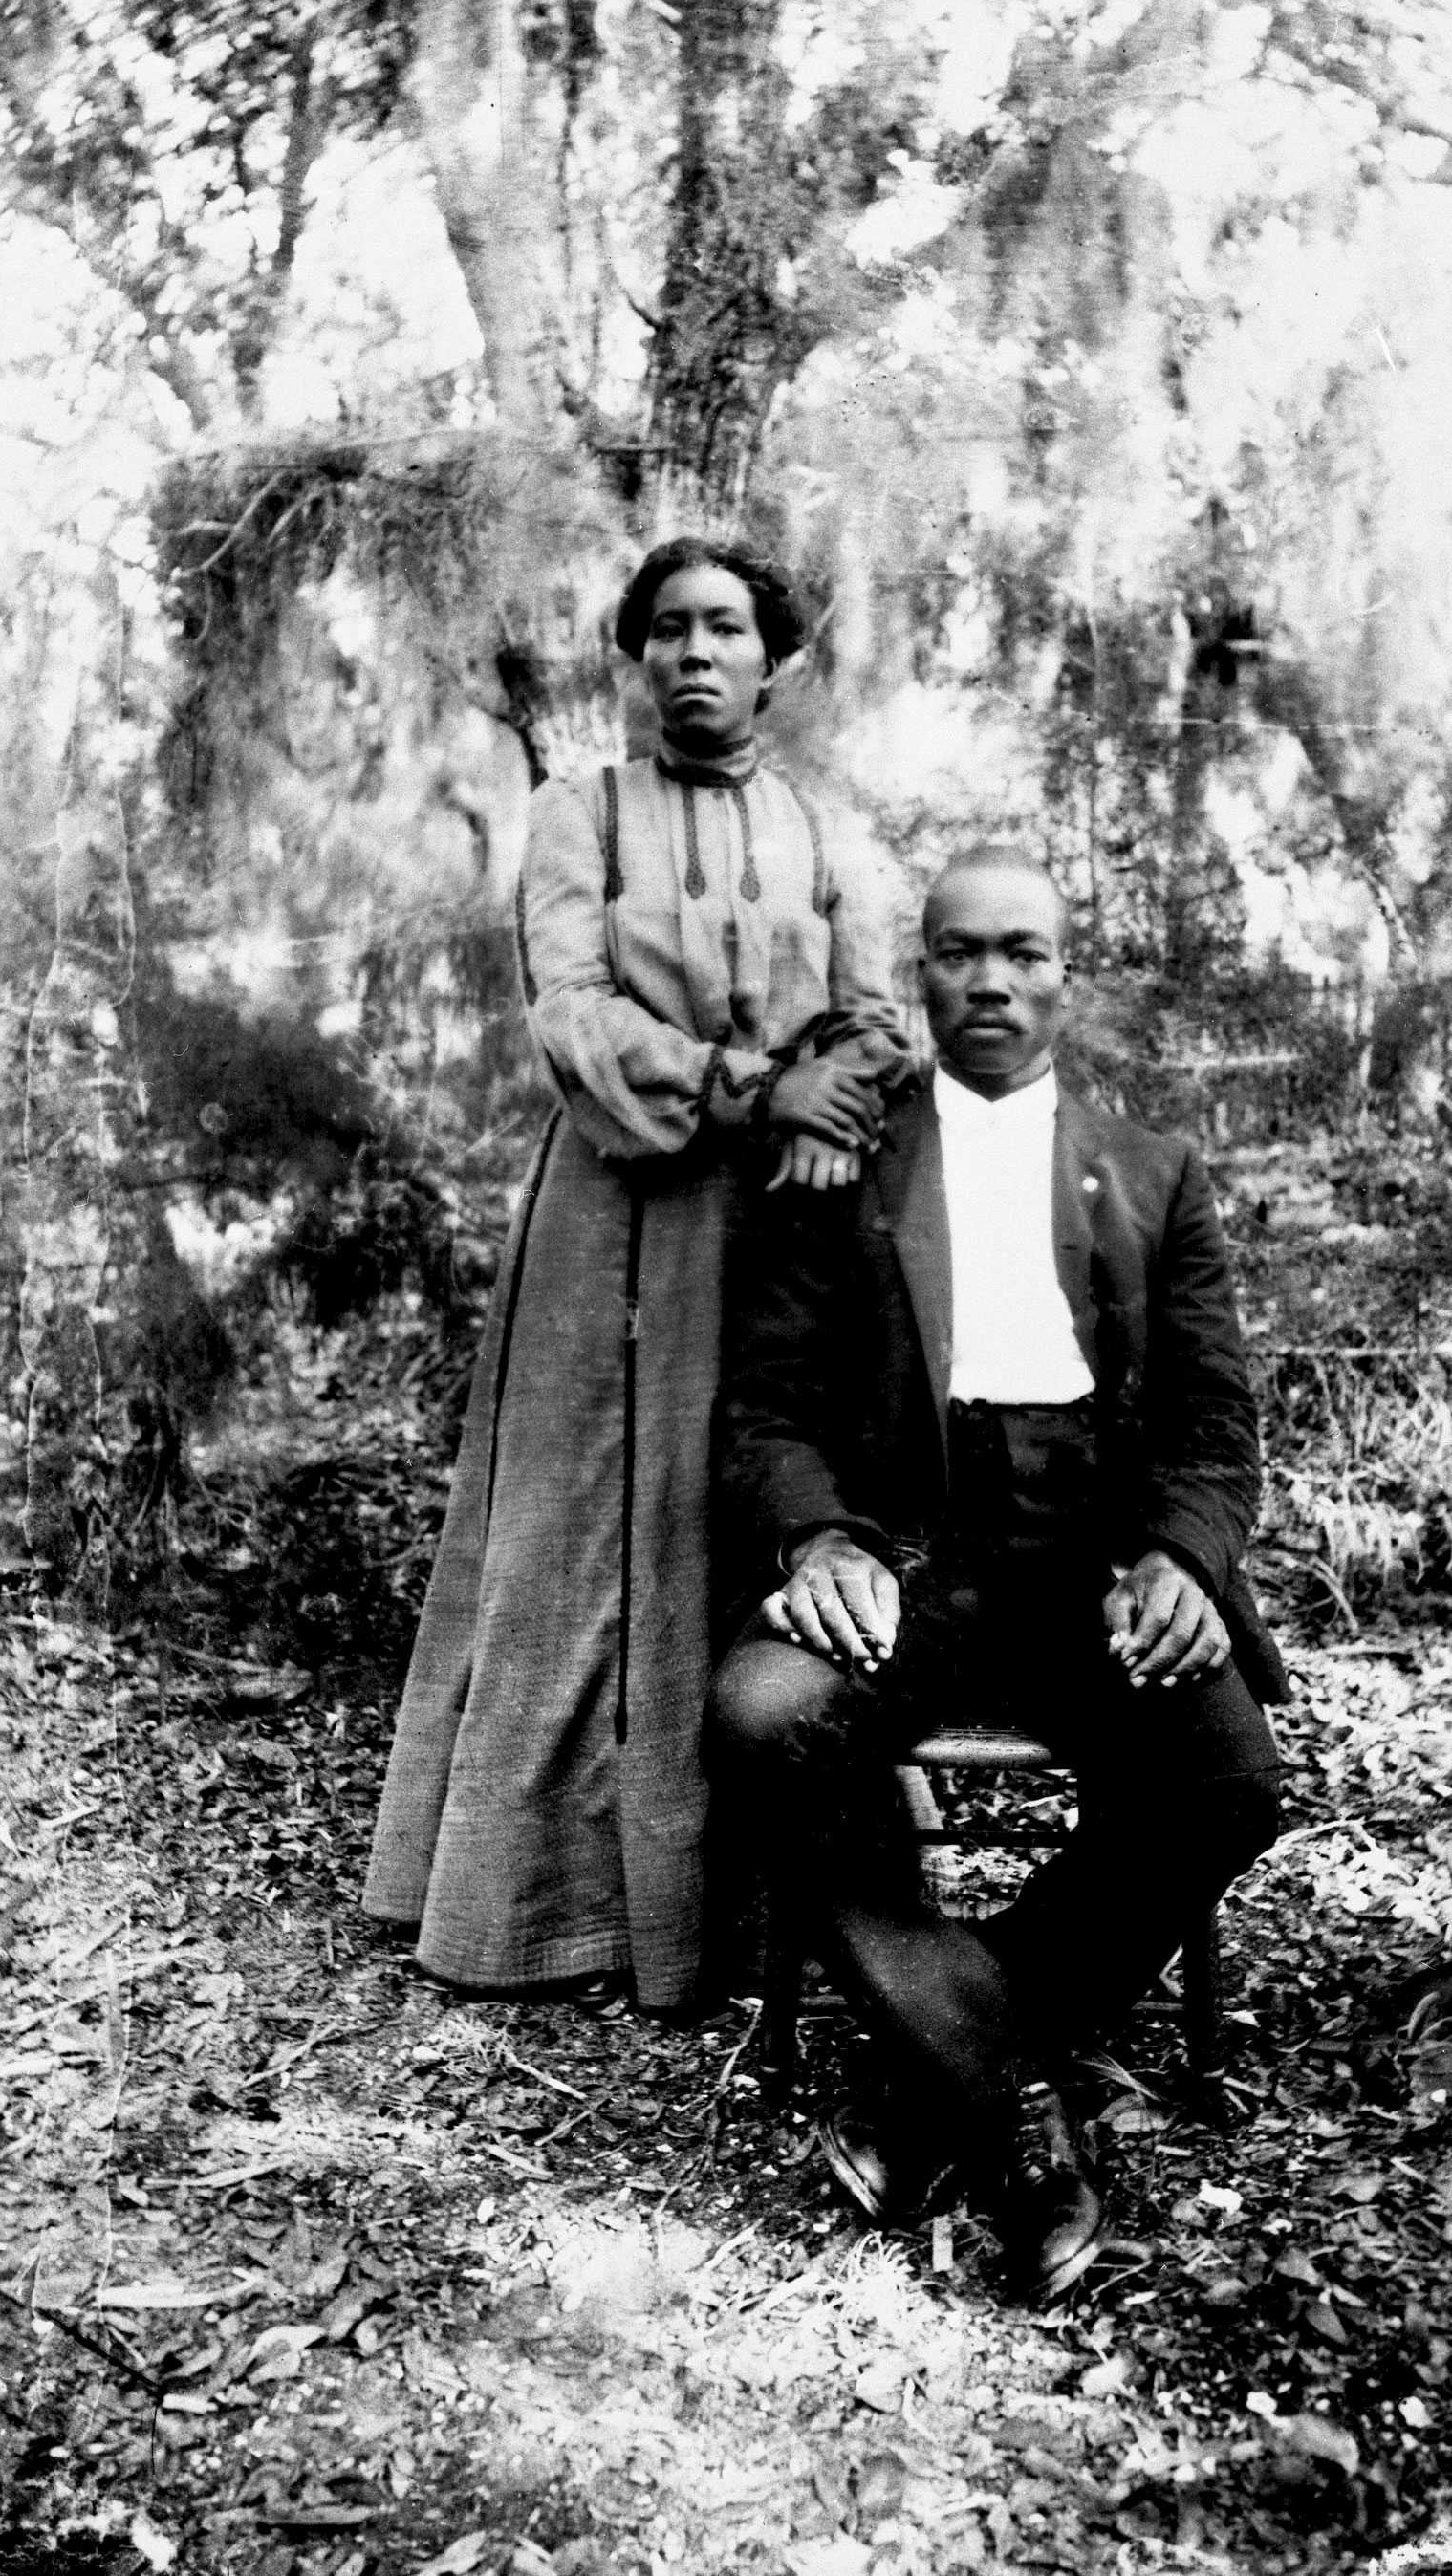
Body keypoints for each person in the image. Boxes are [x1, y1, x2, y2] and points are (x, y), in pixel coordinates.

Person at [710, 847, 1287, 2303]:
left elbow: (1217, 1423)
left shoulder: (1154, 1175)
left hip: (1091, 1577)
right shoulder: (844, 1165)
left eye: (1021, 951)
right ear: (922, 971)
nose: (990, 980)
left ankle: (938, 2067)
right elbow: (764, 1409)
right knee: (766, 1716)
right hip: (905, 1568)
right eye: (960, 952)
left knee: (1229, 1772)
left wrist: (1179, 1558)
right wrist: (821, 1537)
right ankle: (1011, 2101)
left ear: (1062, 972)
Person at [364, 538, 909, 2011]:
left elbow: (879, 1017)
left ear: (773, 658)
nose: (693, 654)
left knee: (742, 1514)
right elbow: (575, 1014)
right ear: (636, 656)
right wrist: (751, 1088)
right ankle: (548, 1902)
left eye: (725, 627)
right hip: (614, 1219)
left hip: (780, 1233)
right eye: (664, 629)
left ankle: (747, 1900)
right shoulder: (577, 812)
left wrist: (827, 1111)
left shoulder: (823, 829)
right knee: (587, 1528)